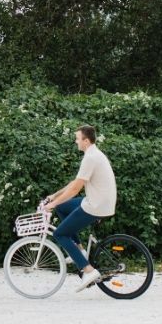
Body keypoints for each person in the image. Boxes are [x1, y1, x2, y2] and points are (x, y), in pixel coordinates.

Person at [45, 125, 117, 292]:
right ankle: (80, 251)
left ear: (86, 140)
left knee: (60, 234)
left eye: (77, 138)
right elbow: (75, 183)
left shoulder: (90, 158)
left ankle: (88, 270)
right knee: (62, 207)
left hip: (96, 205)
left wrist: (52, 204)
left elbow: (74, 190)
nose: (75, 141)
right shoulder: (92, 154)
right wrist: (55, 197)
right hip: (97, 200)